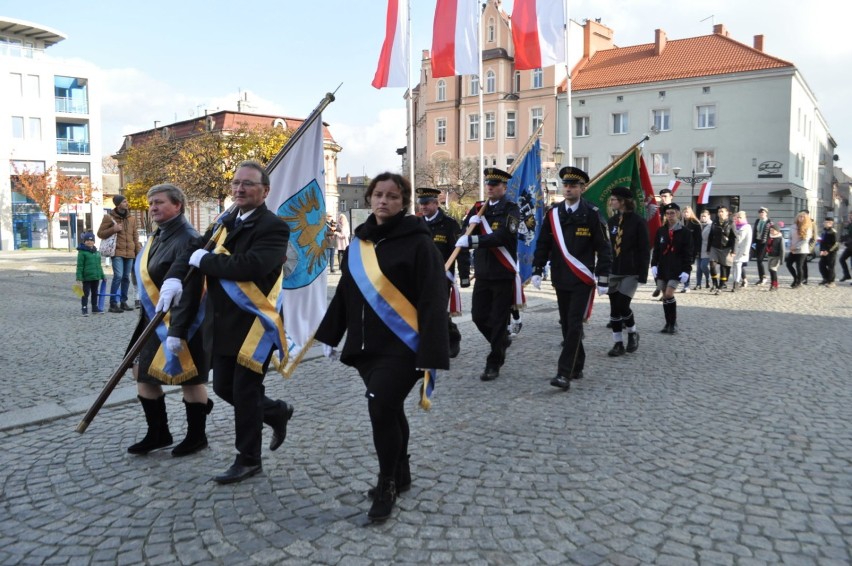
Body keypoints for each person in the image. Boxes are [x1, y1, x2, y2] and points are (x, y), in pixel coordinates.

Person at [315, 172, 449, 523]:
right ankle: (402, 472)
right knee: (389, 411)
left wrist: (432, 354)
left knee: (380, 408)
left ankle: (386, 482)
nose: (383, 201)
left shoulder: (419, 243)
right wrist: (330, 335)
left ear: (403, 202)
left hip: (404, 346)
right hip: (366, 347)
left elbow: (433, 300)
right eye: (378, 194)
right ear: (369, 198)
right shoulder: (360, 242)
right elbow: (346, 293)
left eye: (392, 196)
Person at [161, 160, 294, 484]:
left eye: (248, 184)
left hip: (253, 323)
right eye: (236, 183)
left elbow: (252, 265)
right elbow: (192, 249)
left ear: (265, 191)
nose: (239, 188)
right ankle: (276, 412)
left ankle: (248, 459)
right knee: (222, 387)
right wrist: (175, 278)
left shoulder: (273, 226)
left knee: (245, 392)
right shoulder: (225, 220)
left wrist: (207, 261)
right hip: (221, 323)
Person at [125, 184, 212, 457]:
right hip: (153, 317)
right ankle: (159, 433)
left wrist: (178, 330)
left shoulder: (188, 238)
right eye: (151, 203)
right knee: (142, 372)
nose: (153, 208)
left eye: (159, 202)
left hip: (182, 321)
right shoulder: (159, 235)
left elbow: (194, 288)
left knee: (190, 379)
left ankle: (197, 436)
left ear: (178, 205)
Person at [531, 166, 612, 389]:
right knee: (567, 324)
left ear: (582, 188)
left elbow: (603, 247)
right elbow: (543, 243)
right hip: (560, 275)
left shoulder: (592, 213)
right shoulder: (554, 214)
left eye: (573, 185)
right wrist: (537, 268)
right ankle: (578, 363)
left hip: (581, 278)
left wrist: (603, 275)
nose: (568, 188)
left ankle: (563, 373)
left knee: (575, 323)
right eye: (566, 185)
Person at [455, 167, 522, 382]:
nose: (490, 187)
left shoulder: (511, 209)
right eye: (488, 184)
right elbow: (465, 232)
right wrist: (469, 226)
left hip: (503, 273)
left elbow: (503, 236)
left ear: (504, 187)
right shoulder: (478, 210)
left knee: (499, 319)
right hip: (483, 273)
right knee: (478, 316)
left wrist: (473, 241)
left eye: (495, 185)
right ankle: (501, 341)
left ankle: (494, 362)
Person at [417, 186, 469, 358]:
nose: (423, 207)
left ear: (435, 203)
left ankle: (452, 337)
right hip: (421, 276)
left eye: (426, 203)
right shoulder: (417, 224)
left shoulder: (449, 224)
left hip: (442, 276)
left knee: (438, 311)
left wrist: (464, 276)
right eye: (421, 204)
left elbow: (460, 251)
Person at [603, 186, 648, 356]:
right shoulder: (612, 222)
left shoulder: (638, 221)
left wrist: (643, 273)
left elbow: (644, 249)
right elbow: (607, 247)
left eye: (614, 199)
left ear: (623, 202)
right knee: (614, 308)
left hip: (631, 270)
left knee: (623, 305)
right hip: (614, 270)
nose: (611, 202)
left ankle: (632, 333)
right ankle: (617, 343)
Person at [650, 203, 693, 333]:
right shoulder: (661, 230)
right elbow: (656, 249)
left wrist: (687, 270)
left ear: (678, 214)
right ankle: (667, 323)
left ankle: (673, 323)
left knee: (669, 294)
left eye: (672, 213)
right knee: (664, 295)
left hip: (676, 268)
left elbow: (688, 252)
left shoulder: (684, 231)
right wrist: (653, 264)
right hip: (663, 267)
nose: (669, 216)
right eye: (667, 213)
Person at [97, 194, 142, 313]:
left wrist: (138, 253)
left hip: (130, 253)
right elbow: (100, 234)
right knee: (118, 276)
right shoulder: (109, 217)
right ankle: (113, 303)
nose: (127, 203)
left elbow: (135, 237)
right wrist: (114, 229)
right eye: (124, 201)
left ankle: (123, 302)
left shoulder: (131, 218)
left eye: (126, 201)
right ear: (118, 204)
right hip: (117, 252)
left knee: (126, 278)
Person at [76, 232, 106, 316]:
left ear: (94, 241)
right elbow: (80, 266)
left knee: (95, 292)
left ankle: (94, 307)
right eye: (87, 241)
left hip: (96, 277)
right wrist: (79, 277)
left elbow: (99, 266)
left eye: (91, 240)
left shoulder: (97, 253)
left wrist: (103, 275)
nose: (89, 242)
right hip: (87, 277)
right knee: (85, 293)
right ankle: (84, 308)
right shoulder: (82, 253)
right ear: (84, 241)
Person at [651, 187, 674, 298]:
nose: (663, 198)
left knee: (667, 267)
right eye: (661, 197)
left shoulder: (675, 209)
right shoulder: (658, 209)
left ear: (671, 197)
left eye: (665, 196)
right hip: (658, 239)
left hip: (671, 241)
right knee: (655, 265)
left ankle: (664, 290)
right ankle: (659, 286)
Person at [707, 206, 735, 293]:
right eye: (719, 212)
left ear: (727, 213)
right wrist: (708, 248)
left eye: (722, 211)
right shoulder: (714, 223)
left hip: (726, 247)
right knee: (712, 265)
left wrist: (734, 250)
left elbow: (734, 238)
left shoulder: (731, 223)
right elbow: (711, 236)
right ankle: (715, 283)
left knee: (724, 267)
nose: (720, 213)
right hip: (714, 247)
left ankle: (721, 286)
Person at [786, 211, 813, 288]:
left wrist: (796, 247)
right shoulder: (793, 226)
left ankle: (799, 282)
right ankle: (795, 278)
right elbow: (790, 237)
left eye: (803, 217)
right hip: (793, 249)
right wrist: (790, 246)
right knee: (789, 264)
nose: (801, 218)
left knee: (799, 266)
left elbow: (805, 240)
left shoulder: (808, 227)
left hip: (802, 250)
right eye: (800, 216)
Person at [680, 206, 702, 293]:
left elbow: (698, 239)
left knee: (687, 266)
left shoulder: (695, 223)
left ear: (691, 213)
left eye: (687, 212)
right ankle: (685, 284)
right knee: (682, 267)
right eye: (684, 212)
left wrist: (697, 251)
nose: (685, 214)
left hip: (691, 249)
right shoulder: (682, 222)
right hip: (682, 249)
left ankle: (687, 285)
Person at [731, 211, 753, 291]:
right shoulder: (734, 225)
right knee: (734, 266)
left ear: (744, 218)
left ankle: (736, 282)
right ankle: (734, 282)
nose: (738, 219)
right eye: (737, 217)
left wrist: (746, 251)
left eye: (740, 217)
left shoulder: (747, 227)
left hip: (742, 249)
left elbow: (748, 240)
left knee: (738, 266)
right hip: (734, 249)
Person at [818, 216, 839, 287]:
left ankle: (832, 282)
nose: (825, 223)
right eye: (825, 222)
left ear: (831, 223)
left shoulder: (833, 232)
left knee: (831, 267)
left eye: (827, 222)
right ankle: (826, 279)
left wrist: (828, 251)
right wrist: (821, 250)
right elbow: (822, 242)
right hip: (824, 252)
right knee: (821, 265)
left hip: (831, 252)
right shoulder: (824, 231)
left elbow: (836, 244)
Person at [753, 207, 771, 285]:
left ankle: (764, 277)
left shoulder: (769, 222)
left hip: (764, 242)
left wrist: (769, 244)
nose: (761, 213)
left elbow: (770, 234)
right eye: (760, 212)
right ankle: (761, 278)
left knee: (760, 260)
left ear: (766, 213)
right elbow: (755, 231)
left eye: (763, 212)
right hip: (757, 242)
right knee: (758, 261)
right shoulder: (757, 221)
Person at [695, 209, 712, 290]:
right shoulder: (698, 225)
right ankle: (698, 284)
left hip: (707, 249)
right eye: (701, 216)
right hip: (698, 249)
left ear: (709, 216)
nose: (703, 218)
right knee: (698, 268)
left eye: (705, 216)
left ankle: (708, 279)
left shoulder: (711, 225)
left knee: (703, 266)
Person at [765, 222, 786, 291]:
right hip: (770, 256)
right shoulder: (770, 237)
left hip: (776, 257)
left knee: (773, 269)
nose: (771, 231)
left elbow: (782, 250)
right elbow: (767, 245)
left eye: (773, 230)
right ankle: (772, 283)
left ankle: (775, 285)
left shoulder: (780, 238)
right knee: (770, 270)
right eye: (770, 230)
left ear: (777, 231)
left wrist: (782, 260)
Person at [839, 212, 852, 282]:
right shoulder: (850, 224)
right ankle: (846, 275)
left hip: (850, 245)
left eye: (851, 216)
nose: (850, 217)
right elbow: (847, 234)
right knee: (841, 259)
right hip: (849, 247)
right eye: (850, 215)